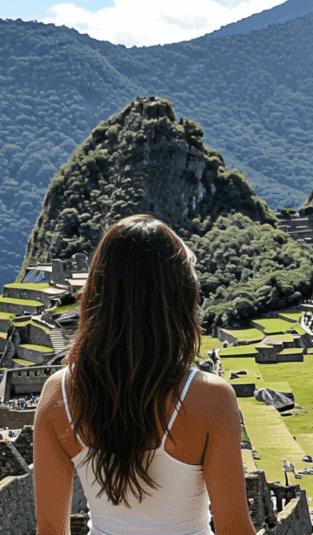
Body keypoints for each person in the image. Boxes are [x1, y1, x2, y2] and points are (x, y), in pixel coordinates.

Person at [34, 215, 256, 535]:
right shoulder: (211, 398)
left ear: (97, 293)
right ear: (180, 296)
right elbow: (234, 528)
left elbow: (50, 529)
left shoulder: (59, 395)